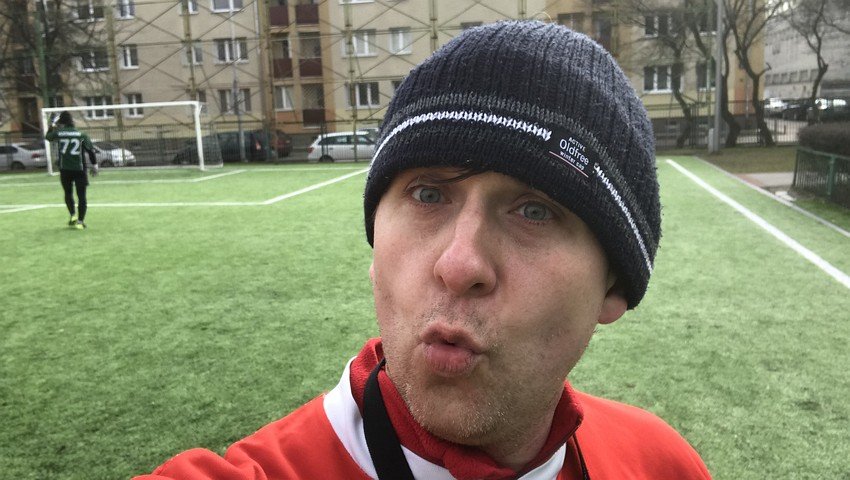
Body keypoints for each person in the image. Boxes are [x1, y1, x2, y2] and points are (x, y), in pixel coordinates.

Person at [134, 21, 711, 479]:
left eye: (535, 211)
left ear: (613, 286)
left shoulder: (661, 465)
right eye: (428, 195)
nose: (458, 265)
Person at [45, 111, 99, 229]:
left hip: (65, 169)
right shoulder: (81, 135)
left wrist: (52, 125)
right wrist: (95, 165)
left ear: (61, 122)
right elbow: (90, 151)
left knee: (68, 193)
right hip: (79, 169)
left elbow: (48, 137)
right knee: (81, 196)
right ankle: (80, 221)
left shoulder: (59, 133)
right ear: (72, 121)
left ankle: (73, 215)